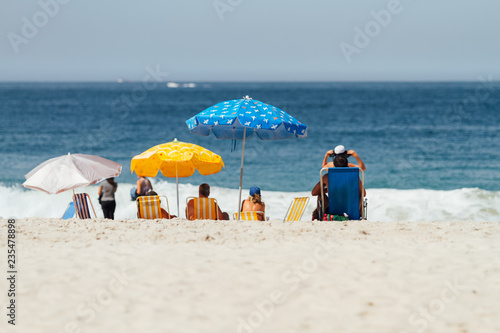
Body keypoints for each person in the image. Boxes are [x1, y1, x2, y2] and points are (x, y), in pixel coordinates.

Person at [311, 145, 366, 220]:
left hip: (333, 211)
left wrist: (327, 190)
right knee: (359, 195)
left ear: (334, 164)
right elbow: (364, 194)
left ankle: (322, 217)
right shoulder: (354, 176)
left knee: (321, 195)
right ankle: (358, 215)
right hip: (352, 211)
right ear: (347, 164)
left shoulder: (327, 176)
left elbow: (313, 192)